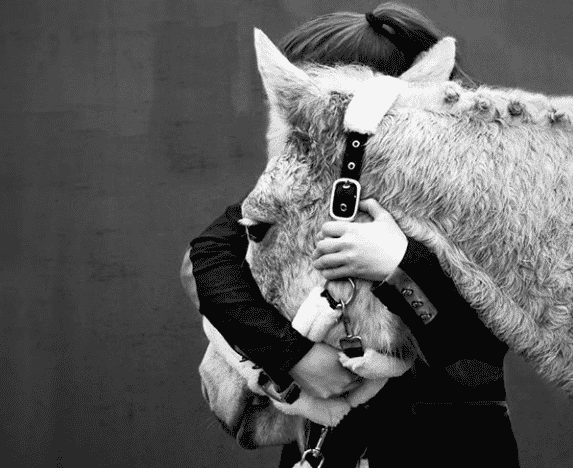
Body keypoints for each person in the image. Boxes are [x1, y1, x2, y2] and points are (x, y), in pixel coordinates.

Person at [186, 3, 512, 467]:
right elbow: (210, 253)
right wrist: (293, 355)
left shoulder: (475, 210)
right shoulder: (306, 198)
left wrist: (398, 264)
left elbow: (472, 352)